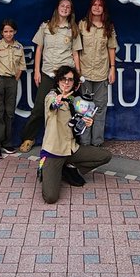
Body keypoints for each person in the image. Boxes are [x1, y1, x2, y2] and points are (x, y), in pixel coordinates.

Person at [38, 65, 112, 204]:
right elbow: (53, 105)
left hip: (71, 148)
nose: (66, 82)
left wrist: (88, 122)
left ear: (75, 82)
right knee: (50, 197)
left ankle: (68, 169)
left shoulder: (77, 100)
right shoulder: (52, 96)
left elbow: (81, 120)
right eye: (63, 79)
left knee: (105, 156)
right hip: (54, 151)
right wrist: (58, 101)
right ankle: (54, 169)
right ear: (58, 80)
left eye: (70, 80)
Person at [17, 0, 82, 152]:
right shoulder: (46, 26)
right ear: (57, 8)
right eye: (62, 5)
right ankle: (28, 138)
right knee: (39, 108)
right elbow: (39, 49)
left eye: (68, 6)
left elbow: (75, 53)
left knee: (67, 109)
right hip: (47, 72)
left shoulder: (73, 30)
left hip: (65, 76)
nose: (65, 8)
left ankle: (71, 140)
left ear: (70, 10)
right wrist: (37, 71)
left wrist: (77, 75)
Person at [77, 0, 118, 147]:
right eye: (94, 4)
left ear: (103, 9)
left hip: (101, 73)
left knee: (100, 109)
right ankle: (85, 141)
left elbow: (111, 47)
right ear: (90, 7)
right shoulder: (82, 25)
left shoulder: (108, 27)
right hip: (84, 73)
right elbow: (75, 48)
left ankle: (97, 142)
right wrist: (77, 71)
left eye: (100, 5)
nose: (97, 7)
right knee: (84, 108)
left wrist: (112, 68)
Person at [0, 18, 26, 159]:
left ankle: (7, 142)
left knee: (9, 112)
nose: (8, 34)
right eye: (5, 31)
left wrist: (16, 79)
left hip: (12, 81)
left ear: (15, 31)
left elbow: (22, 65)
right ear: (1, 33)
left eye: (11, 31)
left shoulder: (19, 47)